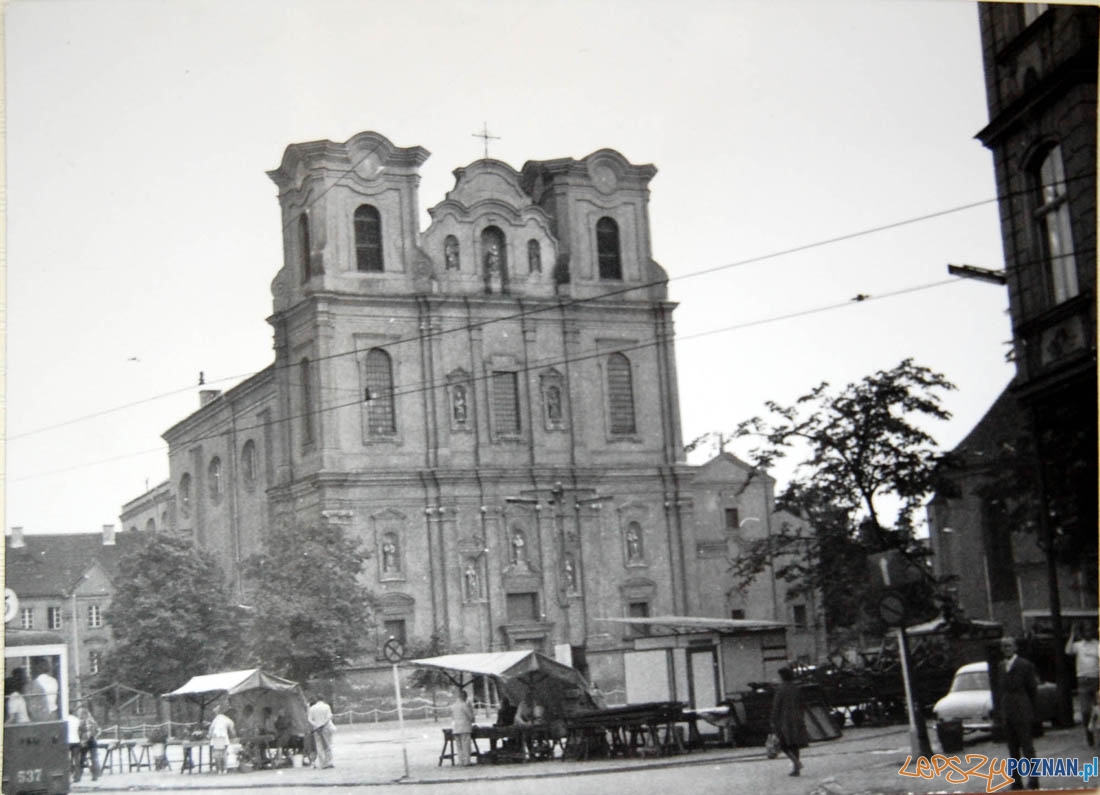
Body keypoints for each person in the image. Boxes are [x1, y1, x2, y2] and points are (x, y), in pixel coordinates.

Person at [995, 637, 1040, 790]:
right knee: (1012, 749)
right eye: (1003, 646)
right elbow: (999, 690)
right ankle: (1016, 780)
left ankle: (1033, 780)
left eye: (1008, 646)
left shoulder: (1025, 665)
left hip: (1022, 709)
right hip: (1008, 711)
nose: (1006, 649)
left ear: (1015, 648)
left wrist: (1031, 711)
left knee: (1027, 747)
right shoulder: (1001, 666)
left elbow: (1032, 689)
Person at [770, 666, 808, 777]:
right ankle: (796, 769)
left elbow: (776, 706)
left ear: (782, 676)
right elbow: (802, 703)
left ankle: (797, 764)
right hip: (797, 718)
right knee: (794, 744)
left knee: (783, 744)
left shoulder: (780, 689)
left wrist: (773, 720)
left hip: (784, 720)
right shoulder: (796, 688)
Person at [1066, 623, 1099, 743]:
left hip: (1096, 679)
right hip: (1083, 680)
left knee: (1097, 709)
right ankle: (1088, 732)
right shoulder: (1079, 645)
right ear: (1082, 633)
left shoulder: (1097, 645)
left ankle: (1095, 729)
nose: (1088, 633)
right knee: (1085, 710)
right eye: (1086, 631)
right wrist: (1073, 634)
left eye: (1090, 630)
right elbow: (1068, 651)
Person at [307, 695, 335, 769]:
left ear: (316, 699)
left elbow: (309, 719)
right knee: (328, 744)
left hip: (316, 728)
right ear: (323, 699)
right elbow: (329, 717)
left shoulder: (312, 708)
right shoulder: (326, 706)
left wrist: (316, 725)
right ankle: (329, 762)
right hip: (325, 727)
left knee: (319, 745)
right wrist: (322, 724)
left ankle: (322, 763)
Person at [207, 704, 236, 774]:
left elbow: (210, 730)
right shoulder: (227, 719)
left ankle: (219, 769)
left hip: (216, 738)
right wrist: (233, 735)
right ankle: (225, 769)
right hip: (224, 738)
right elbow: (232, 728)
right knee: (224, 754)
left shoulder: (215, 719)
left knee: (217, 755)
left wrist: (209, 736)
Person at [450, 688, 476, 766]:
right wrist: (472, 713)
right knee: (466, 745)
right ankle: (467, 761)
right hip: (464, 727)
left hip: (456, 727)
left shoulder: (453, 706)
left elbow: (452, 717)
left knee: (459, 746)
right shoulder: (464, 705)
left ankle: (461, 761)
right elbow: (471, 717)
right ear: (464, 697)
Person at [77, 705, 101, 781]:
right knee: (94, 758)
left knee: (82, 758)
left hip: (84, 741)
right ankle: (95, 775)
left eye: (79, 713)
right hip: (92, 740)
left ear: (83, 714)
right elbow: (99, 730)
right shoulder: (92, 720)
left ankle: (78, 776)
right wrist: (95, 736)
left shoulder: (80, 721)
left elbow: (78, 731)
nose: (79, 714)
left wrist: (80, 739)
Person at [66, 711, 83, 781]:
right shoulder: (77, 720)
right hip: (76, 740)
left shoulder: (65, 719)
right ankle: (77, 776)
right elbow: (80, 730)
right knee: (76, 759)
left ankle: (68, 775)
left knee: (68, 759)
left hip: (67, 741)